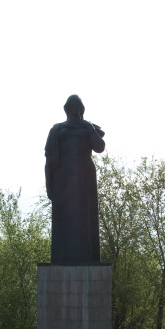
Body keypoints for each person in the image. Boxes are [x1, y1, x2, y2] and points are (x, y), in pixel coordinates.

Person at [44, 95, 105, 264]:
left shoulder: (88, 128)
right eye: (71, 106)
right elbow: (49, 160)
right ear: (66, 109)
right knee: (64, 216)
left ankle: (88, 256)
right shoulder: (57, 129)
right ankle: (62, 257)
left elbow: (100, 147)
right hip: (63, 177)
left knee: (86, 216)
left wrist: (88, 126)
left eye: (78, 106)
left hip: (85, 177)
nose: (74, 109)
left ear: (82, 109)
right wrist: (49, 184)